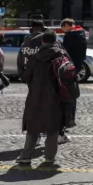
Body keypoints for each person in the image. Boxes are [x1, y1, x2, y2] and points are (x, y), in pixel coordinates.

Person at [19, 31, 67, 167]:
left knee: (33, 127)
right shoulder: (62, 55)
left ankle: (26, 156)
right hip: (56, 96)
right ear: (55, 41)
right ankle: (50, 157)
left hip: (36, 96)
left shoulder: (35, 57)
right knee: (53, 128)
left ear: (42, 42)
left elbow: (25, 76)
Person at [60, 19, 86, 129]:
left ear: (66, 25)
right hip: (78, 66)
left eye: (63, 28)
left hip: (69, 66)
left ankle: (65, 119)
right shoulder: (81, 33)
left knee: (65, 94)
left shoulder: (70, 35)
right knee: (73, 93)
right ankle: (71, 118)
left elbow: (64, 51)